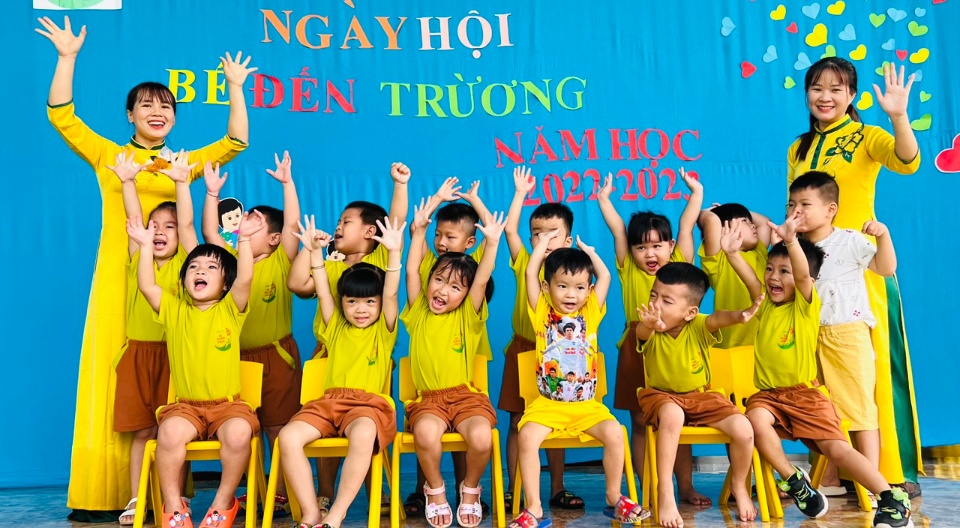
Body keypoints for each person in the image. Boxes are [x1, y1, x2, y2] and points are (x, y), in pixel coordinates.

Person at [36, 16, 255, 517]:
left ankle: (170, 497)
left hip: (174, 284)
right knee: (116, 379)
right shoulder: (110, 156)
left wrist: (236, 88)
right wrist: (67, 58)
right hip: (120, 276)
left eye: (166, 107)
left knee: (174, 376)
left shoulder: (182, 164)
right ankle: (113, 494)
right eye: (147, 105)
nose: (158, 112)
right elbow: (62, 117)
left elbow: (235, 142)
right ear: (129, 114)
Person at [726, 212, 913, 527]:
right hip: (770, 397)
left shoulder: (805, 304)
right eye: (770, 269)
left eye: (783, 271)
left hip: (805, 396)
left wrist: (790, 241)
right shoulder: (766, 305)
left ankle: (890, 497)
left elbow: (802, 276)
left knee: (836, 450)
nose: (773, 277)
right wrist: (732, 254)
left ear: (807, 281)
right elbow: (751, 279)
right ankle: (795, 481)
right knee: (754, 419)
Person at [787, 57, 922, 492]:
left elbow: (907, 160)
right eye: (817, 88)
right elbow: (796, 210)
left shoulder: (868, 136)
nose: (825, 97)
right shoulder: (798, 148)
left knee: (872, 373)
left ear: (852, 96)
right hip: (814, 276)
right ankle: (831, 474)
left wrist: (898, 116)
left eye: (836, 89)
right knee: (817, 375)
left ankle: (887, 476)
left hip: (862, 273)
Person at [286, 163, 409, 515]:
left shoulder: (380, 261)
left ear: (370, 231)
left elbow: (395, 226)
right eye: (338, 221)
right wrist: (313, 251)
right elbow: (300, 284)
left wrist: (399, 185)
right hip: (330, 354)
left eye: (346, 222)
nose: (338, 226)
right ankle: (322, 497)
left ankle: (367, 495)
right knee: (322, 430)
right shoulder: (331, 267)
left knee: (363, 429)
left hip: (370, 362)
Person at [127, 210, 262, 528]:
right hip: (186, 407)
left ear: (225, 283)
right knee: (168, 433)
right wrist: (145, 246)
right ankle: (173, 505)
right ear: (183, 280)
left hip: (228, 406)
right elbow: (147, 285)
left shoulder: (231, 309)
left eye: (211, 267)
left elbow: (245, 278)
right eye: (193, 267)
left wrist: (243, 239)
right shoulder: (173, 310)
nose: (200, 270)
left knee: (239, 434)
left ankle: (222, 501)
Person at [510, 229, 647, 528]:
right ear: (546, 288)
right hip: (547, 407)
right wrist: (542, 245)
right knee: (527, 436)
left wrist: (590, 252)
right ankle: (534, 507)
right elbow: (530, 273)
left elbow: (606, 276)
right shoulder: (541, 311)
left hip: (587, 408)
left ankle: (613, 497)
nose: (571, 294)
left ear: (589, 290)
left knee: (615, 433)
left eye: (579, 287)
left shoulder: (591, 312)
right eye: (562, 286)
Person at [196, 152, 303, 513]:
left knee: (278, 428)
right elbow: (210, 233)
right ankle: (252, 491)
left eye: (254, 222)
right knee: (242, 430)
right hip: (236, 360)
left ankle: (283, 493)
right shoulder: (232, 258)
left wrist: (287, 184)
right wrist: (212, 194)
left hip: (276, 357)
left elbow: (292, 225)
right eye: (244, 219)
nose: (244, 224)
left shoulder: (281, 258)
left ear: (274, 238)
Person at [596, 169, 705, 502]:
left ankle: (685, 486)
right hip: (637, 346)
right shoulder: (628, 267)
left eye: (657, 245)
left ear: (670, 247)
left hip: (676, 344)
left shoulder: (680, 263)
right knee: (641, 420)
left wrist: (696, 193)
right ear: (631, 251)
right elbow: (618, 229)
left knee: (679, 419)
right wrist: (603, 198)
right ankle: (649, 489)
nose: (650, 254)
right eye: (641, 247)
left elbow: (686, 226)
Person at [789, 172, 897, 502]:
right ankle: (829, 478)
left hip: (847, 335)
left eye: (805, 205)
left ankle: (874, 485)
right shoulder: (793, 247)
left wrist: (883, 235)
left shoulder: (849, 240)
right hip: (808, 337)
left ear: (831, 209)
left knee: (861, 412)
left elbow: (885, 268)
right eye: (791, 205)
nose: (796, 211)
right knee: (820, 411)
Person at [106, 151, 197, 524]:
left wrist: (181, 183)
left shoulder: (186, 266)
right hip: (138, 356)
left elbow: (188, 224)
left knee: (174, 431)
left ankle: (174, 498)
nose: (159, 231)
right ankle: (136, 498)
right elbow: (133, 218)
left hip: (175, 357)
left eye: (168, 227)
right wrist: (128, 182)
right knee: (142, 432)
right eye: (154, 225)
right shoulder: (139, 257)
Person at [401, 203, 505, 528]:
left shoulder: (467, 317)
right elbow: (411, 271)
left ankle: (470, 488)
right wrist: (419, 231)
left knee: (482, 437)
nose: (443, 290)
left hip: (465, 398)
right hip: (428, 401)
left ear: (467, 295)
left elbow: (481, 279)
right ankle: (434, 490)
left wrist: (493, 243)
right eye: (439, 280)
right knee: (425, 434)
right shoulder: (418, 311)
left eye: (455, 287)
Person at [636, 262, 762, 526]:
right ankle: (665, 490)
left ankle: (739, 486)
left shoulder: (698, 326)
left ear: (690, 313)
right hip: (661, 397)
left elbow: (718, 318)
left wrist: (741, 315)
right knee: (673, 414)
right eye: (653, 295)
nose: (656, 305)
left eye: (667, 301)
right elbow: (642, 333)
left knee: (744, 427)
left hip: (701, 396)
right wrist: (649, 324)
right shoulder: (650, 329)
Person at [501, 166, 584, 512]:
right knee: (517, 422)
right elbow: (509, 228)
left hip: (558, 355)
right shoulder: (526, 262)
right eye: (537, 233)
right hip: (523, 349)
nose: (545, 240)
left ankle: (557, 487)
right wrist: (520, 193)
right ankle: (513, 488)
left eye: (553, 234)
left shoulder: (572, 275)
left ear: (568, 240)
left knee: (556, 421)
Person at [697, 203, 772, 348]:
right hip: (731, 346)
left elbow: (765, 223)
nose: (753, 225)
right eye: (745, 221)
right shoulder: (719, 257)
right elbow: (711, 221)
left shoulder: (759, 252)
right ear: (723, 229)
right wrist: (704, 213)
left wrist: (735, 211)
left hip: (763, 345)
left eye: (751, 222)